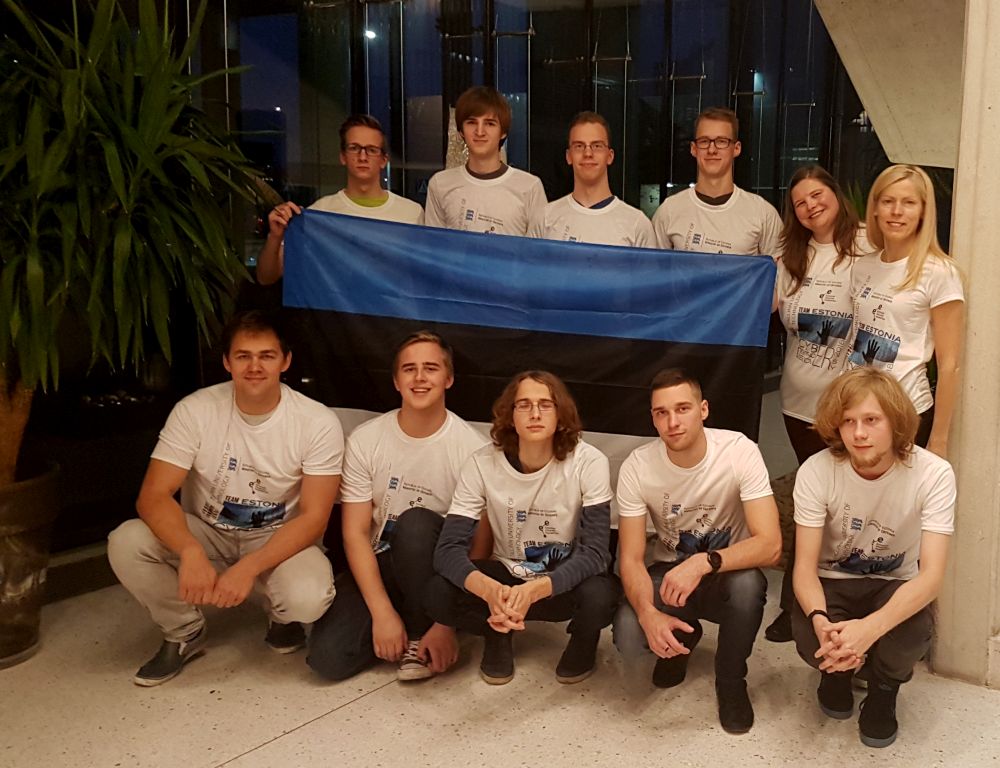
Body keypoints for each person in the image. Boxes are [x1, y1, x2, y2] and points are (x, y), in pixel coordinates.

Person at [107, 311, 344, 686]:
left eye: (266, 356)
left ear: (285, 361)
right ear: (226, 362)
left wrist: (249, 568)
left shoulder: (316, 421)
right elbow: (153, 495)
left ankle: (281, 618)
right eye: (243, 356)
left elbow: (315, 517)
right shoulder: (195, 410)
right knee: (127, 541)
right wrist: (189, 550)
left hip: (276, 537)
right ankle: (184, 630)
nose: (255, 367)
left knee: (308, 597)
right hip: (207, 531)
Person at [306, 331, 488, 681]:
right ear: (396, 380)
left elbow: (481, 544)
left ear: (448, 379)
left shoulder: (472, 449)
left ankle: (424, 630)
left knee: (415, 523)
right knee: (328, 660)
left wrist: (445, 622)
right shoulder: (366, 440)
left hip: (438, 573)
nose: (419, 378)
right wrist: (382, 613)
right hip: (382, 567)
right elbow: (355, 533)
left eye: (431, 368)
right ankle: (402, 620)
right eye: (409, 369)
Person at [791, 367, 955, 748]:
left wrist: (869, 630)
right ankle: (835, 673)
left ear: (895, 422)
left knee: (914, 630)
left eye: (871, 420)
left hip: (893, 582)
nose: (858, 433)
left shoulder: (933, 474)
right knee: (807, 633)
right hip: (833, 582)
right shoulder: (816, 471)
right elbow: (803, 569)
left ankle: (884, 687)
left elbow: (931, 577)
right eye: (848, 421)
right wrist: (821, 624)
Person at [613, 368, 782, 734]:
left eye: (683, 409)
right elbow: (630, 558)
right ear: (653, 418)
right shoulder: (637, 466)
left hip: (725, 571)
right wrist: (648, 614)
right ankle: (682, 641)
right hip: (669, 574)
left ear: (703, 409)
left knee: (748, 586)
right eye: (661, 413)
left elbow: (770, 546)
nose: (673, 422)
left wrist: (704, 562)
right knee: (628, 631)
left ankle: (731, 680)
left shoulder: (738, 451)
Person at [426, 371, 620, 685]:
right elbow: (447, 551)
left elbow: (597, 553)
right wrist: (490, 592)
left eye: (545, 405)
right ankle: (496, 631)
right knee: (437, 593)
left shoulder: (588, 461)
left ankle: (584, 639)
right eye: (524, 405)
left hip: (560, 582)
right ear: (510, 415)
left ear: (560, 414)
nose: (534, 414)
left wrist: (536, 590)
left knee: (601, 596)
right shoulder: (481, 463)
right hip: (506, 579)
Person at [764, 165, 868, 643]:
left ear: (835, 194)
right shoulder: (790, 255)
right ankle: (796, 607)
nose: (810, 206)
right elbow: (759, 302)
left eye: (817, 194)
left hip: (848, 408)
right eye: (800, 202)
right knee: (812, 505)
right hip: (797, 404)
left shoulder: (866, 245)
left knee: (845, 508)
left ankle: (840, 607)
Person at [846, 164, 964, 458]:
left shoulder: (939, 272)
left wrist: (939, 440)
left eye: (908, 202)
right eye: (888, 201)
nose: (896, 211)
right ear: (875, 209)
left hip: (906, 412)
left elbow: (949, 365)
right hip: (857, 408)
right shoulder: (863, 267)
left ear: (923, 211)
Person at [257, 114, 423, 285]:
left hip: (394, 303)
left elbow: (426, 275)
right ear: (343, 156)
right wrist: (275, 236)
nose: (363, 157)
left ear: (383, 160)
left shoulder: (412, 213)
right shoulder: (320, 213)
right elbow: (266, 277)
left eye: (372, 150)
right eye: (354, 148)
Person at [652, 107, 781, 257]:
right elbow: (653, 268)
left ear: (736, 148)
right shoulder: (669, 211)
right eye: (704, 141)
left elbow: (778, 269)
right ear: (693, 149)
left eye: (721, 141)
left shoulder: (762, 213)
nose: (712, 150)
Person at [424, 86, 546, 235]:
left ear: (503, 132)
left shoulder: (530, 187)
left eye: (489, 123)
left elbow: (538, 248)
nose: (480, 132)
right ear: (461, 131)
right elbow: (433, 246)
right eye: (472, 122)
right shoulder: (440, 184)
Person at [530, 111, 654, 247]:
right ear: (568, 156)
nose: (588, 153)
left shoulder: (637, 225)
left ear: (610, 156)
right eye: (579, 146)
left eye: (597, 146)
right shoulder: (545, 219)